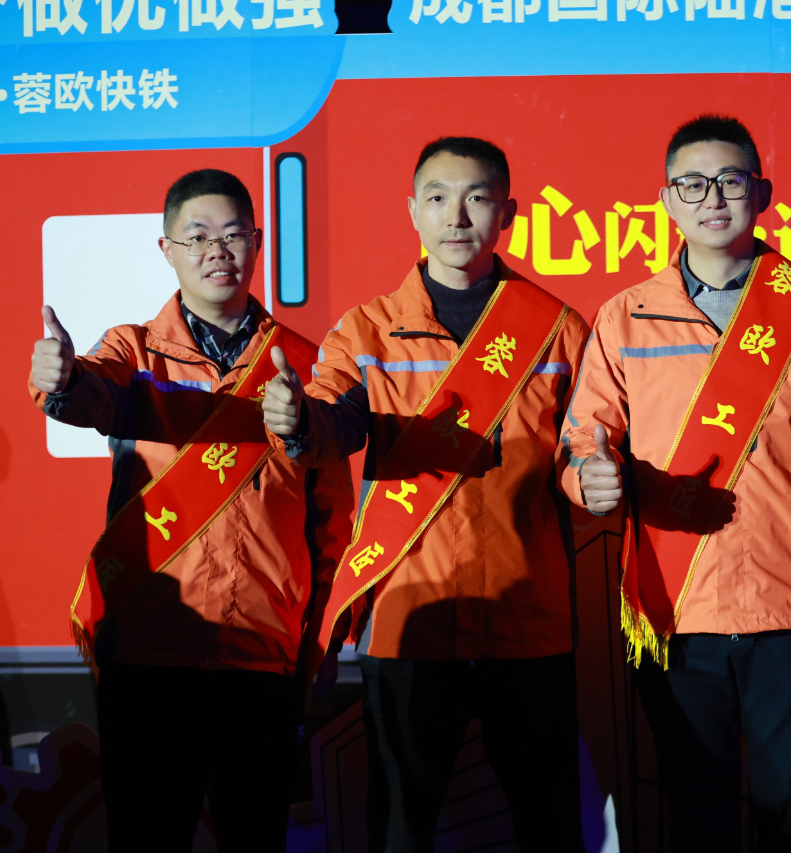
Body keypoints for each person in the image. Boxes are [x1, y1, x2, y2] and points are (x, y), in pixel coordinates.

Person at [558, 114, 791, 852]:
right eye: (692, 184)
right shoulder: (626, 316)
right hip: (675, 613)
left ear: (761, 194)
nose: (712, 198)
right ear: (666, 200)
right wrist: (589, 480)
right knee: (695, 821)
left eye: (731, 181)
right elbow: (582, 444)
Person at [262, 136, 591, 853]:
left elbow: (583, 447)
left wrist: (594, 475)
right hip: (409, 619)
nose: (457, 217)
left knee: (552, 828)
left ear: (508, 212)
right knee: (400, 831)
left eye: (477, 198)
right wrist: (297, 422)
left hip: (528, 620)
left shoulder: (558, 330)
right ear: (413, 210)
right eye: (438, 198)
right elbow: (334, 425)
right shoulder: (369, 330)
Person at [28, 168, 354, 852]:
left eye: (233, 235)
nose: (216, 251)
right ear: (167, 249)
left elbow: (333, 524)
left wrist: (320, 638)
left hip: (260, 655)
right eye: (197, 236)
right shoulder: (134, 352)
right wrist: (61, 383)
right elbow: (93, 394)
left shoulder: (306, 365)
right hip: (149, 652)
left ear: (257, 243)